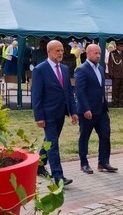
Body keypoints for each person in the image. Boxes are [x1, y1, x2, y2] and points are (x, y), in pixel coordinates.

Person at [32, 40, 78, 186]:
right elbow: (36, 95)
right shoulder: (40, 69)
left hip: (61, 113)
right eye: (57, 51)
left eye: (62, 51)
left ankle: (39, 165)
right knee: (53, 144)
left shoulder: (64, 69)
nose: (60, 53)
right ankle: (58, 176)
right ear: (49, 52)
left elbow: (69, 92)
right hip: (48, 114)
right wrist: (39, 117)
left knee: (49, 142)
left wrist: (74, 112)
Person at [74, 44, 118, 174]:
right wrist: (86, 109)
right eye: (95, 53)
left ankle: (103, 162)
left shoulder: (101, 69)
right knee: (85, 137)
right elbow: (79, 91)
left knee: (105, 135)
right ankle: (84, 163)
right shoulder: (81, 69)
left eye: (99, 53)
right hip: (88, 111)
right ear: (87, 54)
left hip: (101, 110)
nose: (98, 55)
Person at [108, 41, 123, 107]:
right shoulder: (112, 53)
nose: (122, 47)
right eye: (120, 46)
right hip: (116, 74)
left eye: (122, 46)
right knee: (115, 89)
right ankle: (115, 102)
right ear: (117, 46)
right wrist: (111, 73)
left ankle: (120, 101)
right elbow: (110, 64)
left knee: (122, 89)